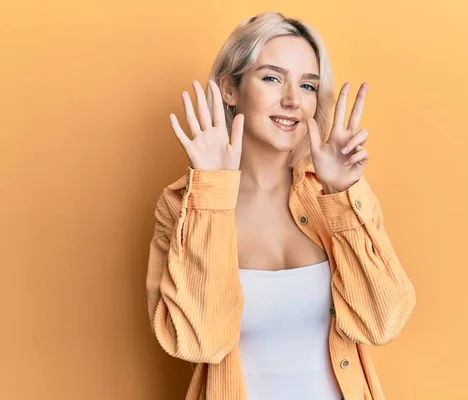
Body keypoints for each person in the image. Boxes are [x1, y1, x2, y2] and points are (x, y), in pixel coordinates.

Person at [146, 11, 416, 400]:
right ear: (229, 90)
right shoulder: (182, 206)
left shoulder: (334, 195)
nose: (292, 100)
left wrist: (342, 195)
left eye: (308, 85)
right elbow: (198, 343)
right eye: (272, 78)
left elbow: (382, 322)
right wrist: (211, 194)